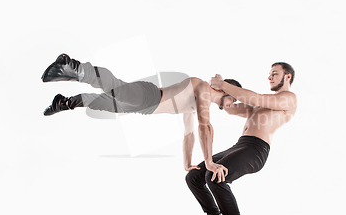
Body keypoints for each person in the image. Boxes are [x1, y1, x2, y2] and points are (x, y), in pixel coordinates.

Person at [41, 53, 242, 176]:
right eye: (234, 98)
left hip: (147, 108)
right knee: (116, 89)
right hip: (150, 96)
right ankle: (74, 66)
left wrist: (187, 163)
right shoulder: (204, 89)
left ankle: (65, 102)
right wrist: (209, 161)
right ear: (227, 91)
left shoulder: (195, 105)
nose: (234, 103)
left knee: (103, 104)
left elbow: (189, 134)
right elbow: (205, 126)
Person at [185, 62, 297, 215]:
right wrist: (211, 92)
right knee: (194, 177)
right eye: (269, 74)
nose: (269, 77)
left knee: (216, 177)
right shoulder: (259, 105)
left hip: (256, 149)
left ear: (287, 77)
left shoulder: (288, 99)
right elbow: (229, 107)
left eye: (275, 73)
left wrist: (224, 85)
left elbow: (257, 98)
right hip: (240, 145)